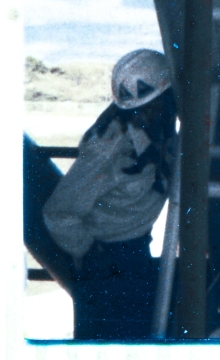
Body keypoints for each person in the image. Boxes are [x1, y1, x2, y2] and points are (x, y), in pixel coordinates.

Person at [42, 49, 177, 340]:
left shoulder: (160, 134)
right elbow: (59, 212)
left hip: (134, 256)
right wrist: (90, 253)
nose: (144, 114)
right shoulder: (111, 148)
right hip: (107, 266)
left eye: (149, 106)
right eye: (139, 109)